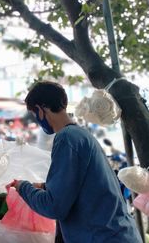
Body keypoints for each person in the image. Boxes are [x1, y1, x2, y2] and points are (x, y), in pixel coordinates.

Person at [8, 81, 142, 243]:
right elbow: (80, 186)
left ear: (40, 109)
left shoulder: (66, 139)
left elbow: (54, 206)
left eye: (34, 113)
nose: (37, 119)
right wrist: (44, 187)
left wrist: (23, 187)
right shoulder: (81, 135)